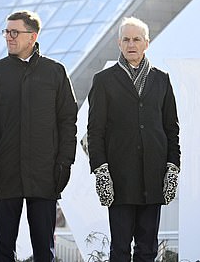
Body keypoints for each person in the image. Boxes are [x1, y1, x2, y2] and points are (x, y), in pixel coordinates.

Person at [0, 10, 77, 261]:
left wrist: (65, 163)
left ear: (33, 36)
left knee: (44, 250)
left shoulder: (55, 72)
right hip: (3, 174)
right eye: (6, 32)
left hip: (45, 175)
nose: (8, 37)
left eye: (14, 32)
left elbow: (68, 122)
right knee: (3, 250)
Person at [87, 16, 180, 261]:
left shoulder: (162, 79)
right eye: (126, 39)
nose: (131, 44)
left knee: (148, 248)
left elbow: (171, 128)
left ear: (146, 43)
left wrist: (172, 168)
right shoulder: (104, 80)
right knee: (119, 248)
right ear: (119, 43)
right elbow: (94, 131)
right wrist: (101, 171)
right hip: (119, 178)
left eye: (136, 39)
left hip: (154, 175)